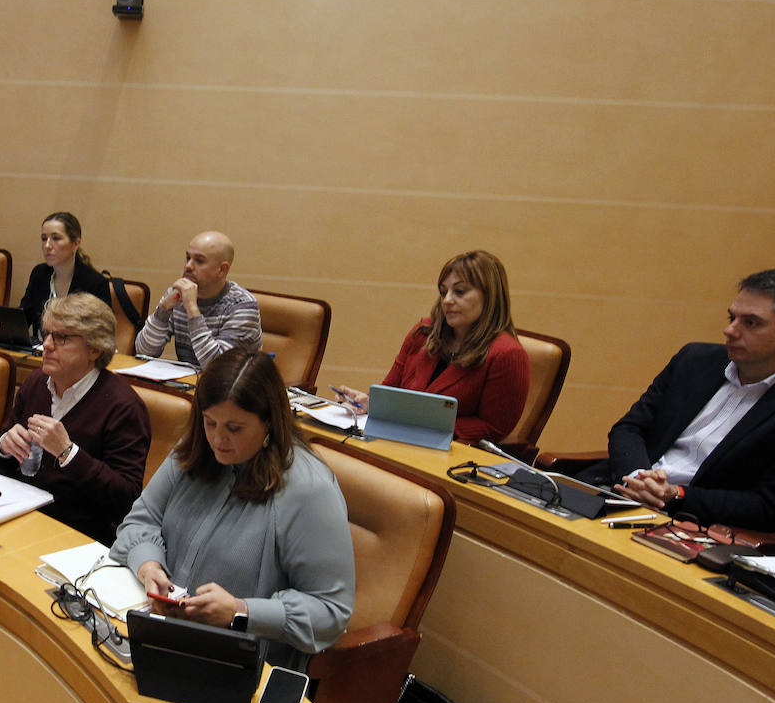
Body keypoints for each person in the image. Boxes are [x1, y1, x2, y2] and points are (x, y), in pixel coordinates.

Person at [110, 348, 355, 669]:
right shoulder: (195, 451)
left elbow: (331, 610)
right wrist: (149, 567)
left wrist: (242, 611)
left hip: (243, 662)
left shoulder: (309, 489)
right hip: (166, 635)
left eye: (234, 428)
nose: (218, 439)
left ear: (268, 422)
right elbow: (140, 522)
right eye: (210, 422)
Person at [601, 268, 775, 531]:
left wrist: (674, 494)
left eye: (751, 323)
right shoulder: (694, 360)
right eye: (732, 317)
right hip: (618, 492)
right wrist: (637, 479)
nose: (730, 330)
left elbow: (768, 506)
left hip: (695, 527)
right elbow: (630, 428)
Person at [0, 294, 150, 544]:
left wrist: (68, 453)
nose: (46, 344)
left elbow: (126, 498)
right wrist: (5, 444)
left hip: (75, 532)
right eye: (46, 334)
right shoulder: (35, 383)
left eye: (61, 338)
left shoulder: (124, 406)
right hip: (17, 513)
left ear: (95, 348)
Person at [336, 250, 528, 444]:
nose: (447, 300)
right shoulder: (423, 333)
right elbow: (390, 390)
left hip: (450, 456)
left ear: (490, 296)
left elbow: (493, 428)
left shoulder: (507, 354)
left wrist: (424, 425)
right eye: (444, 292)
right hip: (396, 440)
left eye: (459, 291)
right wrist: (369, 403)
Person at [133, 231, 262, 368]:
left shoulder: (242, 306)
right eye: (188, 258)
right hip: (186, 384)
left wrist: (192, 309)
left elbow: (220, 368)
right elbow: (143, 351)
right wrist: (162, 312)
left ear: (222, 270)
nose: (188, 266)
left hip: (230, 387)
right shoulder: (177, 295)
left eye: (199, 261)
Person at [17, 212, 110, 333]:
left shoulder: (95, 283)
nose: (47, 245)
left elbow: (99, 336)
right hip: (40, 349)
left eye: (56, 238)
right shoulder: (39, 274)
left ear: (76, 243)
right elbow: (23, 318)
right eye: (44, 239)